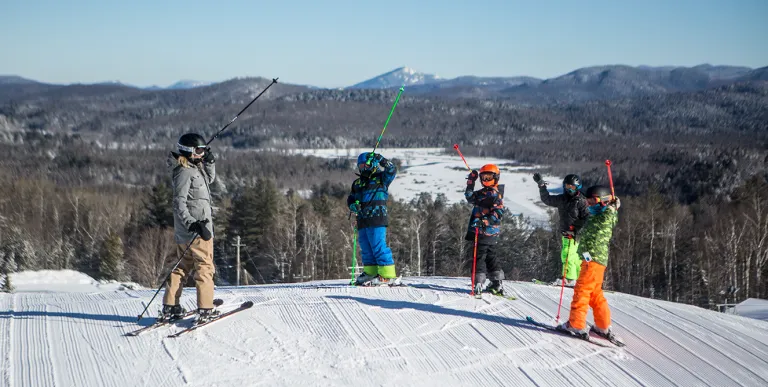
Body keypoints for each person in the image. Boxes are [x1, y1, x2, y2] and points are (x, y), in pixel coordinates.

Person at [160, 132, 218, 324]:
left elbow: (207, 182)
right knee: (204, 267)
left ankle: (170, 305)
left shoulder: (192, 168)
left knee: (182, 267)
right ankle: (206, 308)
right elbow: (179, 202)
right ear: (189, 151)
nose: (202, 153)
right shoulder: (185, 172)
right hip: (196, 230)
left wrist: (209, 162)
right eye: (199, 150)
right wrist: (192, 223)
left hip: (188, 231)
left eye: (203, 150)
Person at [557, 185, 620, 340]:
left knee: (582, 290)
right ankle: (602, 326)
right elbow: (587, 231)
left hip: (593, 260)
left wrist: (613, 206)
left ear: (603, 201)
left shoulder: (606, 216)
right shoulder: (595, 216)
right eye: (588, 202)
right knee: (594, 293)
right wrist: (574, 233)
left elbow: (609, 217)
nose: (589, 205)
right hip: (593, 260)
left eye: (593, 201)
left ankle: (576, 324)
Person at [347, 152, 398, 286]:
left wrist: (381, 160)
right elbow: (351, 198)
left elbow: (392, 170)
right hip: (362, 219)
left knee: (377, 244)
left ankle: (387, 274)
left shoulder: (381, 178)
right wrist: (352, 205)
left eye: (366, 165)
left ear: (373, 165)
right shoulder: (357, 183)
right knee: (366, 247)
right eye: (361, 166)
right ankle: (371, 272)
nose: (363, 168)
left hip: (377, 217)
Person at [533, 173, 589, 286]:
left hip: (575, 234)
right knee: (574, 256)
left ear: (578, 187)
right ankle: (580, 278)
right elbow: (547, 199)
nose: (569, 189)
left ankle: (570, 278)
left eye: (572, 187)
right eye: (567, 186)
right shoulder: (562, 199)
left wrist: (576, 229)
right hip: (566, 233)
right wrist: (541, 185)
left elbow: (587, 218)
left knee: (567, 255)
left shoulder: (581, 201)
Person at [465, 164, 505, 296]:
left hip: (485, 232)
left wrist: (484, 221)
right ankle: (496, 283)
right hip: (487, 233)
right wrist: (471, 181)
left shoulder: (495, 194)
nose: (486, 180)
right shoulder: (483, 193)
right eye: (484, 177)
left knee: (479, 257)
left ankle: (478, 283)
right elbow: (470, 197)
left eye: (489, 177)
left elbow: (498, 213)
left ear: (496, 178)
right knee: (490, 256)